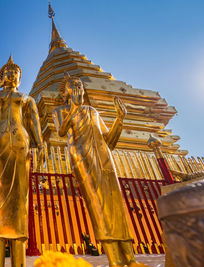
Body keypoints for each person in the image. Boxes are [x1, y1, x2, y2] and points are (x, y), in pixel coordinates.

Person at [52, 72, 150, 267]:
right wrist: (74, 108)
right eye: (73, 84)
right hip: (83, 158)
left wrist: (119, 120)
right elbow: (62, 132)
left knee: (116, 205)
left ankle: (130, 258)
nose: (78, 86)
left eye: (79, 83)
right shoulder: (60, 110)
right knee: (98, 204)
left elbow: (109, 141)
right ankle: (114, 259)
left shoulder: (92, 111)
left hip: (105, 157)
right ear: (65, 93)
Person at [0, 55, 43, 267]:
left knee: (20, 199)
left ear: (20, 78)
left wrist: (39, 147)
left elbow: (34, 126)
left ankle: (19, 262)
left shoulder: (26, 99)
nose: (11, 75)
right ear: (1, 77)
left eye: (15, 72)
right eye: (7, 72)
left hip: (21, 144)